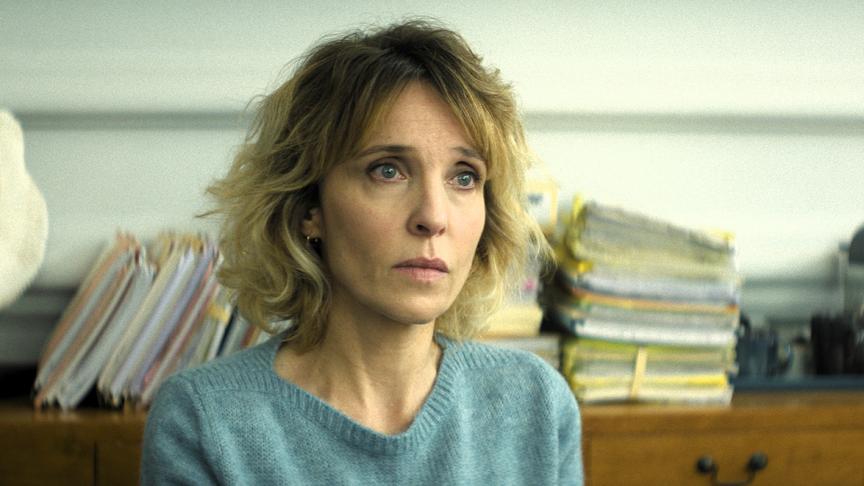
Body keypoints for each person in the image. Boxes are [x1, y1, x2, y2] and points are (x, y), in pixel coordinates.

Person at [141, 19, 583, 485]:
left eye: (464, 177)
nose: (433, 216)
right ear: (308, 206)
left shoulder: (537, 403)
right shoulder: (204, 421)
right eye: (387, 170)